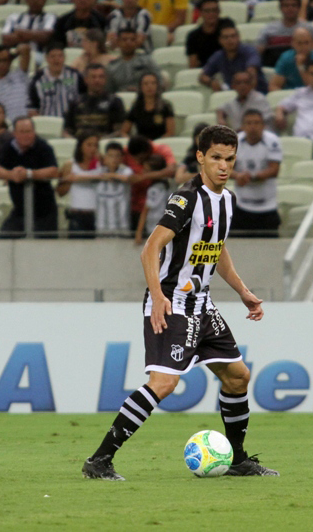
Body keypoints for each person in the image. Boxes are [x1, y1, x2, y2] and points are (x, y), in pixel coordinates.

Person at [81, 124, 278, 481]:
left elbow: (216, 251)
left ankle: (237, 460)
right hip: (173, 303)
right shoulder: (187, 198)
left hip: (202, 305)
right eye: (216, 157)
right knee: (163, 384)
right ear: (200, 157)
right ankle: (99, 460)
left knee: (237, 376)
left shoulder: (228, 200)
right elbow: (150, 248)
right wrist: (157, 298)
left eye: (229, 159)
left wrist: (243, 291)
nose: (223, 166)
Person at [0, 116, 60, 238]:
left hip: (45, 210)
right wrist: (11, 175)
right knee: (4, 239)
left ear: (34, 132)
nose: (25, 135)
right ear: (14, 133)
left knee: (47, 248)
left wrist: (29, 174)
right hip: (20, 210)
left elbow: (53, 171)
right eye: (21, 132)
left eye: (28, 131)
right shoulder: (9, 147)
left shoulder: (43, 146)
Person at [230, 110, 282, 238]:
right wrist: (237, 176)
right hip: (241, 206)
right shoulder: (235, 142)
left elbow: (274, 170)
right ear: (242, 126)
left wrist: (252, 177)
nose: (253, 127)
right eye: (249, 123)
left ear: (263, 125)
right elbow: (225, 168)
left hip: (267, 207)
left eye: (257, 123)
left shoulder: (272, 141)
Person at [125, 135, 177, 234]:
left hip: (156, 210)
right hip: (133, 207)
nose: (136, 162)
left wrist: (143, 176)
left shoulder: (162, 150)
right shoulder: (128, 150)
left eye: (140, 158)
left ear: (147, 152)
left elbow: (172, 170)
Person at [201, 20, 269, 94]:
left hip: (258, 94)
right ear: (220, 40)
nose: (230, 40)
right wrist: (211, 82)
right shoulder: (218, 56)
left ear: (238, 38)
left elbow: (252, 72)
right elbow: (202, 76)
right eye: (226, 37)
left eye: (233, 36)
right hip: (234, 97)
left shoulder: (250, 51)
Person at [57, 133, 101, 238]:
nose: (92, 149)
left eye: (95, 145)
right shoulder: (70, 165)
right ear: (80, 146)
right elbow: (60, 192)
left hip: (98, 214)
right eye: (89, 145)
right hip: (77, 213)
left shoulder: (101, 164)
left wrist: (79, 178)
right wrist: (69, 180)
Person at [63, 64, 126, 138]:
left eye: (101, 77)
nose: (97, 80)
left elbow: (119, 131)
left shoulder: (115, 102)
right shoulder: (75, 102)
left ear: (105, 79)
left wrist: (99, 142)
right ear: (86, 80)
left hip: (105, 144)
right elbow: (67, 130)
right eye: (93, 77)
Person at [256, 0, 313, 67]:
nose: (290, 8)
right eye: (286, 5)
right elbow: (258, 53)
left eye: (294, 5)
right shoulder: (268, 29)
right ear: (280, 8)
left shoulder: (309, 29)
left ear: (299, 8)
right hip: (273, 68)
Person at [28, 43, 86, 117]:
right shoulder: (37, 79)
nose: (56, 60)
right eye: (53, 56)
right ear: (47, 58)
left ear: (65, 58)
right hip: (47, 124)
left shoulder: (75, 75)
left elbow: (84, 98)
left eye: (60, 56)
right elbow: (32, 109)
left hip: (71, 124)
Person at [1, 0, 57, 68]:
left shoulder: (50, 17)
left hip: (39, 55)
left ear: (45, 0)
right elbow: (5, 39)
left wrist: (20, 33)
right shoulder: (14, 17)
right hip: (16, 54)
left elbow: (45, 37)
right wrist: (34, 35)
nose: (35, 1)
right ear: (26, 0)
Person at [106, 28, 162, 93]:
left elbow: (160, 82)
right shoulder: (112, 67)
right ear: (118, 42)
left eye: (132, 40)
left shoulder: (147, 62)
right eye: (124, 40)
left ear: (136, 42)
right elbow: (108, 91)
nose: (128, 42)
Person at [121, 72, 175, 140]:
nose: (150, 86)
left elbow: (170, 133)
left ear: (157, 86)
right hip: (141, 146)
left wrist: (156, 144)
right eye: (146, 84)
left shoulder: (166, 106)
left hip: (161, 145)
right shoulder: (136, 107)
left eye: (153, 83)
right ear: (141, 87)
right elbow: (123, 131)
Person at [96, 141, 133, 236]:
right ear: (105, 157)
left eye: (117, 156)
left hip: (122, 226)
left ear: (122, 158)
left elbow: (129, 178)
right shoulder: (98, 171)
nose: (114, 159)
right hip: (102, 226)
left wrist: (109, 175)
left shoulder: (126, 171)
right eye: (111, 156)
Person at [133, 155, 171, 245]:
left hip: (154, 227)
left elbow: (146, 210)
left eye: (146, 170)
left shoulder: (154, 189)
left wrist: (138, 232)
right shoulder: (168, 186)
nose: (143, 172)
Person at [185, 0, 224, 68]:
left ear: (219, 11)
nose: (211, 14)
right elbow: (193, 66)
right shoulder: (193, 36)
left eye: (214, 10)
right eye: (207, 11)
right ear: (200, 13)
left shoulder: (227, 27)